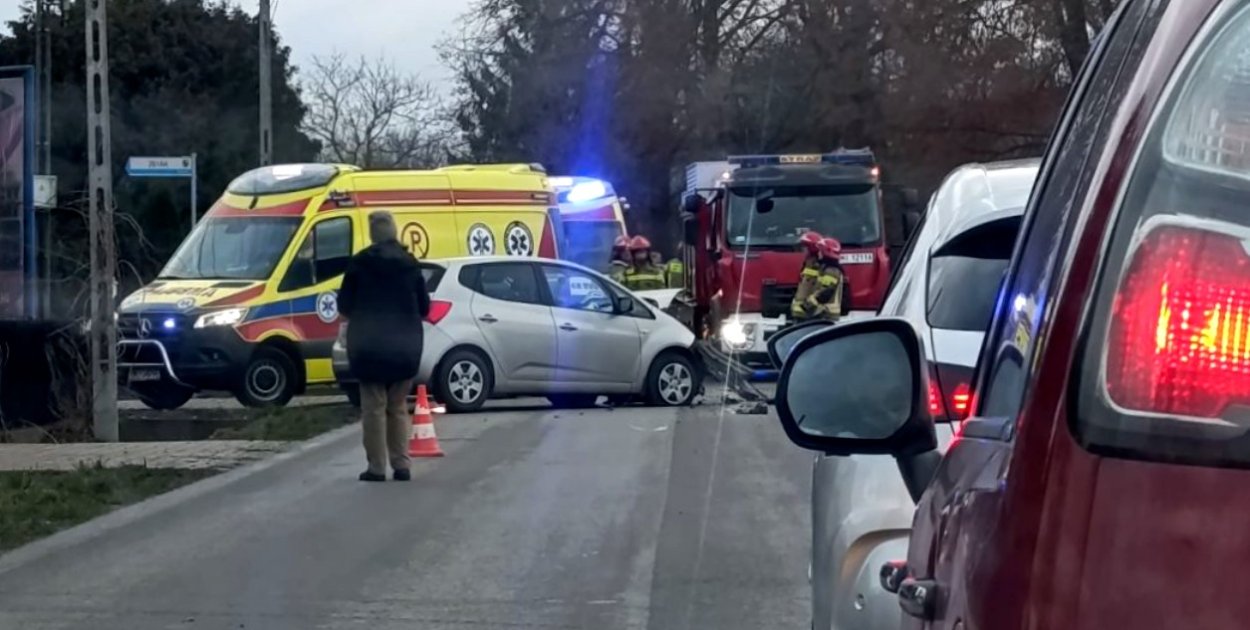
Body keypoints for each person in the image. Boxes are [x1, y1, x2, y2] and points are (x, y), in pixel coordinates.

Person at [337, 211, 431, 482]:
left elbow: (344, 306)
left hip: (369, 346)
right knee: (398, 406)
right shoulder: (410, 264)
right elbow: (424, 307)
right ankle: (402, 465)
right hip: (404, 346)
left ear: (372, 233)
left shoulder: (359, 264)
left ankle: (377, 467)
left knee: (374, 408)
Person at [803, 237, 849, 321]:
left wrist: (809, 303)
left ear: (826, 252)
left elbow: (826, 291)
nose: (819, 254)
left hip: (827, 314)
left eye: (821, 251)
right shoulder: (827, 268)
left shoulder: (831, 270)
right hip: (824, 313)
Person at [790, 231, 825, 321]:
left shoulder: (815, 265)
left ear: (811, 248)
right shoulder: (809, 262)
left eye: (804, 247)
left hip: (808, 313)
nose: (802, 250)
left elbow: (809, 286)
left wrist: (806, 306)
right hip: (803, 311)